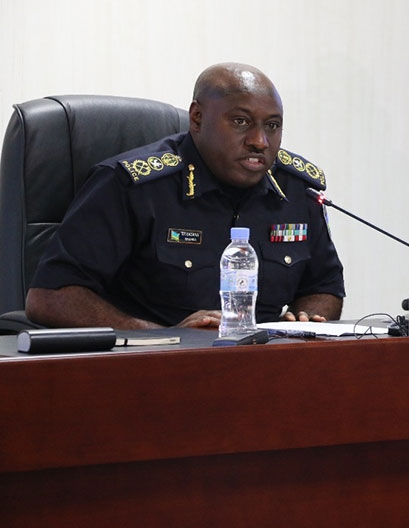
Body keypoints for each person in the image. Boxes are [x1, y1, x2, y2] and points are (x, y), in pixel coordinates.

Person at [25, 62, 345, 329]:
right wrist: (160, 337)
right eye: (240, 121)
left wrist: (306, 319)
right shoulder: (133, 187)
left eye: (272, 126)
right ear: (197, 118)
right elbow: (50, 297)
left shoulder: (296, 191)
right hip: (149, 374)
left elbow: (324, 286)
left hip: (265, 374)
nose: (260, 141)